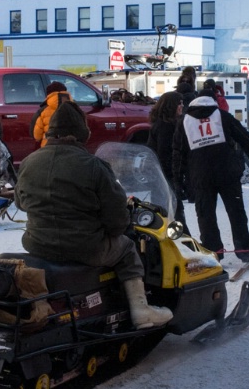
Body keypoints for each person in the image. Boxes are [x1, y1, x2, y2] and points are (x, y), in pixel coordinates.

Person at [15, 101, 173, 330]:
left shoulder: (29, 162)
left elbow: (20, 203)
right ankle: (141, 310)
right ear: (82, 133)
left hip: (38, 244)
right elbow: (118, 219)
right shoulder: (94, 166)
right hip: (85, 248)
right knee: (128, 248)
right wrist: (115, 230)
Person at [172, 95, 249, 262]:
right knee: (236, 211)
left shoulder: (184, 122)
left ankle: (214, 250)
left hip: (200, 176)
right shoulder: (222, 115)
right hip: (227, 173)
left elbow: (178, 154)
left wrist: (179, 180)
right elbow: (245, 138)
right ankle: (244, 248)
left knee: (205, 214)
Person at [147, 91, 191, 233]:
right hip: (165, 178)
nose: (182, 106)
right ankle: (184, 244)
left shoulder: (163, 124)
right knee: (175, 215)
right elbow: (165, 154)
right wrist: (176, 176)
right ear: (171, 106)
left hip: (160, 176)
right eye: (180, 103)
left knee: (169, 215)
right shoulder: (166, 127)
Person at [33, 81, 71, 147]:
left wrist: (38, 140)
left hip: (48, 146)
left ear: (49, 94)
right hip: (69, 147)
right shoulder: (74, 108)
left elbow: (37, 134)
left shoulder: (44, 110)